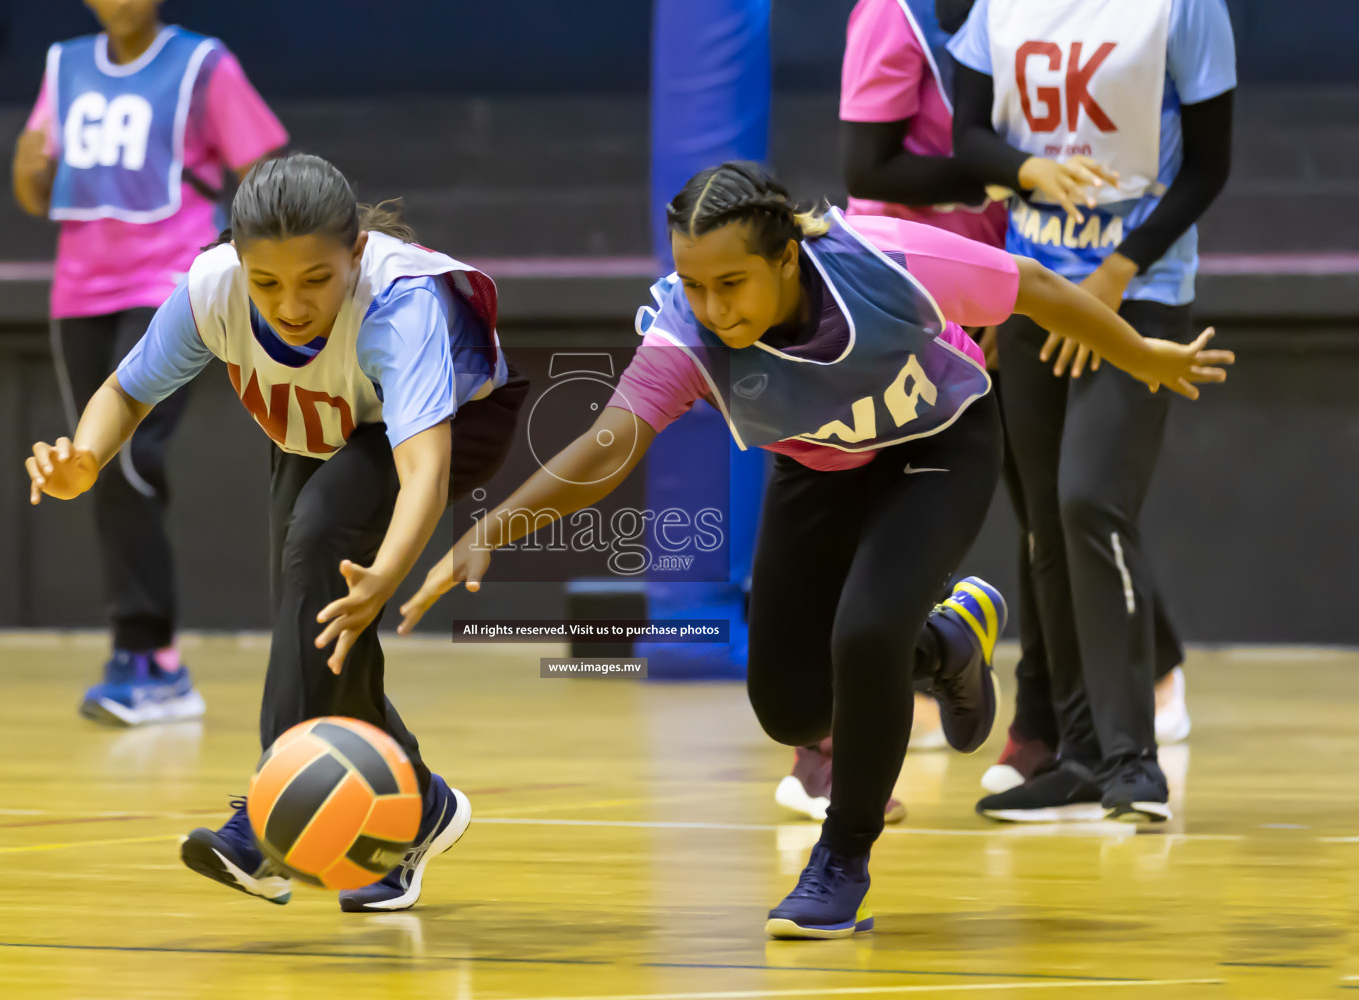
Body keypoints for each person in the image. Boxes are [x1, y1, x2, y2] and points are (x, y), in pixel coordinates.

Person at [398, 162, 1231, 938]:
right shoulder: (690, 331)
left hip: (936, 446)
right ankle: (945, 644)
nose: (714, 307)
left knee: (865, 635)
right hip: (817, 466)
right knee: (792, 708)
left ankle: (843, 861)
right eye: (695, 285)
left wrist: (1139, 353)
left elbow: (1037, 288)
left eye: (732, 284)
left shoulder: (887, 259)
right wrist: (489, 527)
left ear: (789, 258)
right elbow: (611, 443)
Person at [24, 154, 529, 912]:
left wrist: (388, 572)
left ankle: (266, 824)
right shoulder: (213, 289)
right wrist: (87, 456)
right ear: (239, 263)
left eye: (315, 281)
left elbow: (423, 471)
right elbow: (126, 391)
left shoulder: (399, 307)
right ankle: (418, 805)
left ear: (354, 255)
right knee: (312, 611)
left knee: (317, 544)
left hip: (445, 422)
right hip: (319, 418)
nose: (290, 305)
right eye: (267, 283)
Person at [949, 0, 1236, 821]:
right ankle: (1076, 757)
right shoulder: (999, 11)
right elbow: (969, 138)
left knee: (1090, 504)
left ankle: (1132, 763)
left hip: (1137, 290)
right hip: (1032, 294)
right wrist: (1028, 172)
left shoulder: (1182, 10)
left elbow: (1209, 166)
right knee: (1043, 521)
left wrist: (1116, 273)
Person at [12, 0, 287, 726]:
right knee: (90, 463)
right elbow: (36, 192)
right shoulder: (64, 66)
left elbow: (265, 173)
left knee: (127, 460)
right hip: (80, 289)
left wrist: (253, 272)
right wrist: (26, 167)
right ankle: (144, 656)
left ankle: (150, 656)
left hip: (167, 282)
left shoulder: (202, 64)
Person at [773, 0, 1014, 827]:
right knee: (843, 537)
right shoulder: (894, 15)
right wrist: (1014, 173)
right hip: (887, 309)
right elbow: (870, 169)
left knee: (898, 554)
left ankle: (851, 757)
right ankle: (842, 732)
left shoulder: (1021, 21)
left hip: (978, 296)